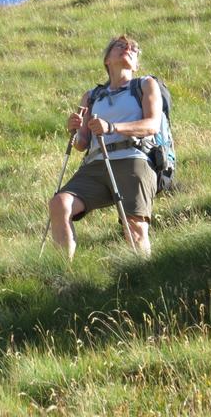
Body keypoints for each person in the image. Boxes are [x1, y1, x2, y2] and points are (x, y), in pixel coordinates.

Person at [49, 35, 162, 259]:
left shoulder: (145, 84)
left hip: (134, 159)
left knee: (134, 227)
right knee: (60, 203)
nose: (127, 48)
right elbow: (82, 143)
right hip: (96, 163)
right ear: (107, 60)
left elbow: (152, 125)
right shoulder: (91, 96)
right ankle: (63, 272)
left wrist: (112, 127)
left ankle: (142, 274)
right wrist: (74, 130)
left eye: (133, 49)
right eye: (120, 46)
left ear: (136, 65)